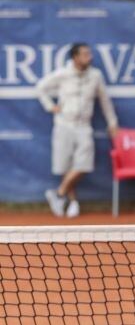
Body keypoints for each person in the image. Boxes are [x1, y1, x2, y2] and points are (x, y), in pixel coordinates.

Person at [36, 43, 119, 218]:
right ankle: (73, 202)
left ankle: (58, 194)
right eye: (85, 54)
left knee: (84, 165)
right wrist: (51, 107)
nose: (89, 57)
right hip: (64, 125)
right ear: (75, 58)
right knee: (66, 167)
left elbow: (105, 101)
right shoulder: (63, 74)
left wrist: (112, 122)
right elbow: (40, 87)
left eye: (89, 53)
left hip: (84, 127)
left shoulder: (96, 76)